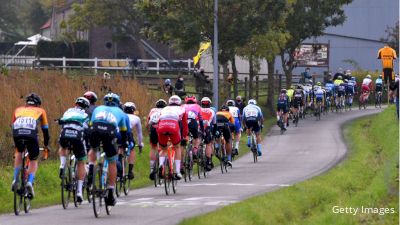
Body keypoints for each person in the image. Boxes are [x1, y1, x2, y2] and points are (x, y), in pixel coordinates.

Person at [87, 93, 128, 206]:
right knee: (112, 161)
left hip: (95, 128)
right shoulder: (120, 112)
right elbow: (124, 132)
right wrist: (123, 145)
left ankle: (91, 169)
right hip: (109, 131)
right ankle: (110, 191)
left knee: (93, 149)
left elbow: (91, 124)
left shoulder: (98, 108)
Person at [11, 93, 50, 199]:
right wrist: (46, 145)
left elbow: (13, 126)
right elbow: (45, 130)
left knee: (19, 152)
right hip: (31, 134)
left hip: (17, 133)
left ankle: (15, 179)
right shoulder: (41, 111)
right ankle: (29, 182)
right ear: (38, 104)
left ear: (26, 103)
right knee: (33, 159)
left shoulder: (17, 110)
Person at [58, 97, 89, 203]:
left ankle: (62, 165)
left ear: (75, 103)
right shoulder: (86, 115)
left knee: (63, 147)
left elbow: (61, 123)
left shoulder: (68, 111)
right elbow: (87, 130)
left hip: (65, 133)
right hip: (77, 136)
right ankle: (79, 191)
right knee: (81, 161)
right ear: (86, 107)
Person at [157, 95, 188, 180]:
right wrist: (184, 137)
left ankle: (161, 165)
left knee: (163, 148)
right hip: (173, 125)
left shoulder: (164, 109)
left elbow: (158, 121)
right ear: (179, 102)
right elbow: (184, 125)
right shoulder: (182, 109)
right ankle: (177, 172)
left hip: (162, 126)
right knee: (177, 147)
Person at [147, 99, 167, 180]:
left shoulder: (152, 110)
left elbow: (148, 123)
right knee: (164, 147)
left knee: (153, 147)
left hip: (153, 128)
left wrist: (149, 131)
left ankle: (152, 168)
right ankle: (162, 165)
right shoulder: (167, 110)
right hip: (162, 128)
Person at [123, 102, 144, 180]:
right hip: (128, 133)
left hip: (118, 132)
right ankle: (130, 171)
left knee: (119, 147)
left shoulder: (121, 115)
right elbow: (139, 133)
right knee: (131, 149)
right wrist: (140, 144)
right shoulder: (136, 118)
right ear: (133, 110)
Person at [200, 97, 216, 171]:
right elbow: (214, 123)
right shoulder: (212, 111)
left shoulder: (198, 109)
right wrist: (214, 133)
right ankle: (208, 161)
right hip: (207, 128)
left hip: (198, 127)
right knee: (208, 144)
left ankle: (196, 153)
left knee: (196, 140)